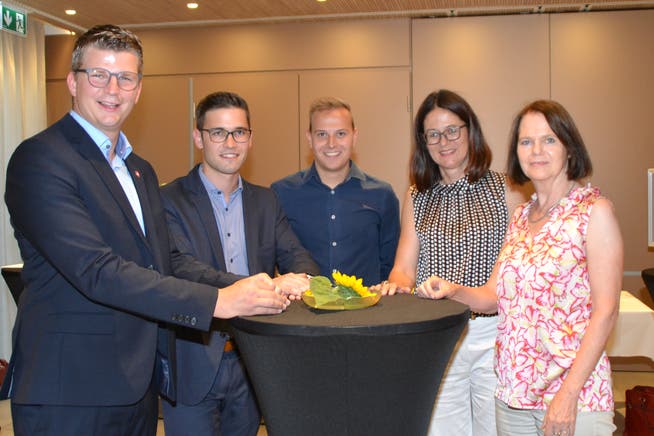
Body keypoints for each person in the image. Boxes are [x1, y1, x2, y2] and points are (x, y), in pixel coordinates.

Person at [1, 25, 292, 436]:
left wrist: (251, 288)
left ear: (138, 90)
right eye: (98, 74)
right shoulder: (41, 158)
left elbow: (166, 261)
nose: (112, 88)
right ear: (73, 81)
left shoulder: (139, 170)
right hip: (71, 389)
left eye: (126, 77)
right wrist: (217, 302)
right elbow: (96, 270)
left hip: (137, 387)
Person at [417, 99, 622, 436]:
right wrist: (453, 290)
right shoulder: (520, 218)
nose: (536, 150)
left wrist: (567, 395)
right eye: (526, 142)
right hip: (513, 396)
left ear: (569, 147)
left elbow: (606, 311)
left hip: (574, 397)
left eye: (549, 139)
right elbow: (493, 297)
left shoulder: (593, 212)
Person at [160, 91, 320, 435]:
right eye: (218, 132)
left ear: (250, 138)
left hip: (253, 361)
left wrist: (305, 278)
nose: (230, 142)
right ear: (198, 137)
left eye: (239, 132)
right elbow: (181, 267)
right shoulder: (169, 199)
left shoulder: (265, 200)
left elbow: (296, 255)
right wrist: (268, 285)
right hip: (194, 360)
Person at [373, 89, 523, 436]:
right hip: (437, 335)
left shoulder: (507, 189)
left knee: (494, 431)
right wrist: (396, 285)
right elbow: (405, 267)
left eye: (452, 130)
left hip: (494, 334)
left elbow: (504, 280)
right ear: (423, 142)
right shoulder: (416, 195)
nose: (444, 141)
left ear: (470, 130)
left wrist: (459, 292)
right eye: (433, 134)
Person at [271, 97, 400, 285]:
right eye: (322, 134)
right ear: (309, 138)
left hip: (367, 311)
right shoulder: (281, 193)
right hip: (301, 311)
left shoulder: (382, 194)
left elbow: (391, 265)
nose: (331, 143)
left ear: (354, 137)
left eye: (341, 134)